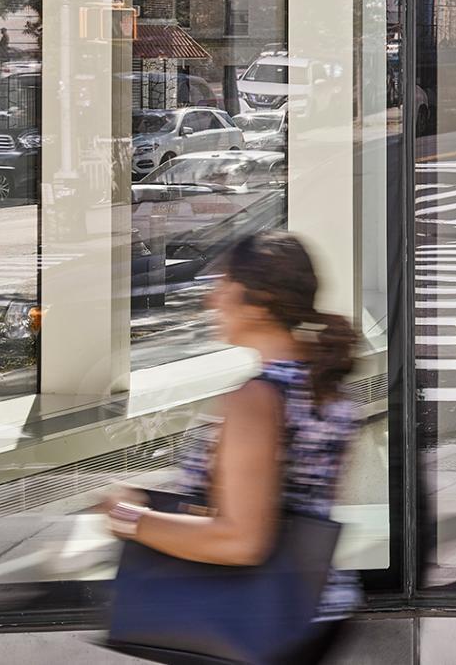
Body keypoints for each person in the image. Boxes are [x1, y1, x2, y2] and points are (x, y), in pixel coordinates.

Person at [98, 233, 361, 662]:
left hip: (255, 625)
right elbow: (284, 505)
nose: (210, 299)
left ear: (258, 302)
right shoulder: (323, 386)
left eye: (222, 284)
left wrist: (128, 519)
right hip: (308, 611)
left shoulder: (257, 400)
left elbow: (241, 539)